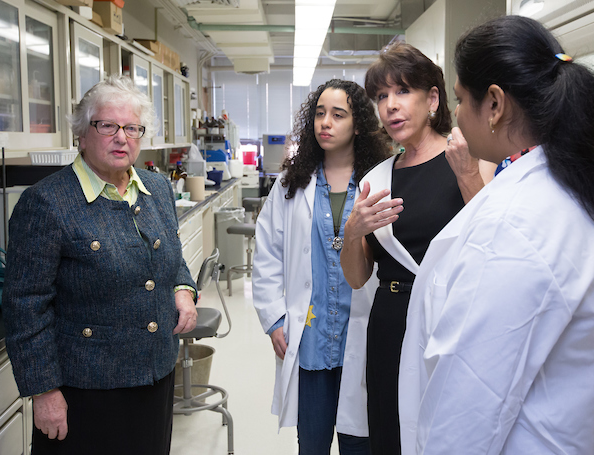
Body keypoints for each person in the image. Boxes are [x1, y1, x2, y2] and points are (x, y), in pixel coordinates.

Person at [399, 15, 594, 454]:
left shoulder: (517, 223)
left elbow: (468, 401)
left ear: (494, 104)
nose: (458, 119)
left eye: (461, 100)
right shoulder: (562, 187)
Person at [2, 75, 198, 455]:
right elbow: (25, 306)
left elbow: (172, 259)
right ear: (82, 132)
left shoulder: (155, 189)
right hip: (86, 391)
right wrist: (43, 391)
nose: (121, 137)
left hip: (155, 375)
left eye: (132, 128)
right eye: (108, 125)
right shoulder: (46, 203)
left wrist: (183, 290)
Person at [340, 42, 490, 454]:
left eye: (402, 91)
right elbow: (356, 278)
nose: (390, 106)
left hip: (448, 322)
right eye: (381, 96)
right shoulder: (377, 179)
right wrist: (354, 231)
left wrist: (468, 177)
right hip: (390, 325)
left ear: (433, 99)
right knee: (390, 433)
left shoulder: (471, 160)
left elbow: (494, 247)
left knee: (443, 432)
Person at [252, 79, 390, 454]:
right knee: (311, 445)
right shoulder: (291, 185)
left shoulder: (380, 183)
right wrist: (275, 319)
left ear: (358, 124)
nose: (325, 122)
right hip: (310, 336)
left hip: (361, 334)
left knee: (359, 443)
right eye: (319, 113)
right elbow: (266, 253)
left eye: (338, 115)